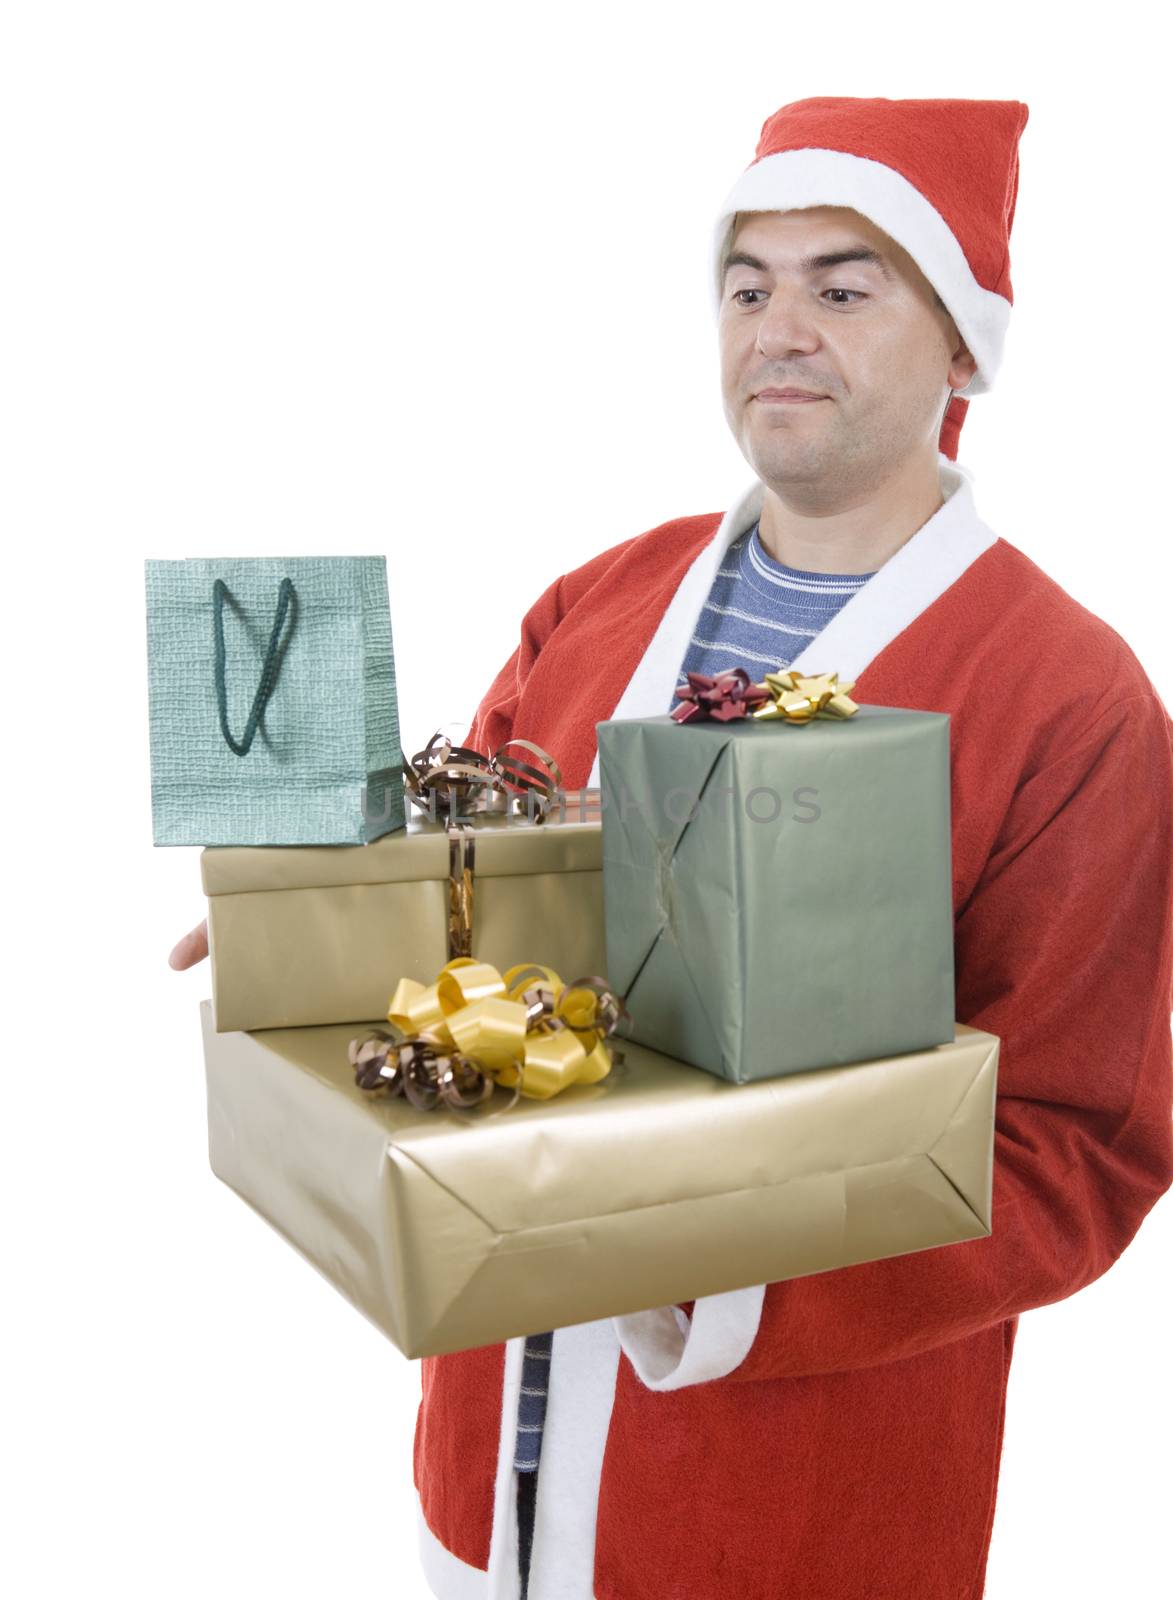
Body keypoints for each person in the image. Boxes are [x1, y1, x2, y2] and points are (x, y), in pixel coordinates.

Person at [173, 96, 1173, 1600]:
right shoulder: (600, 599)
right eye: (747, 283)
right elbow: (474, 897)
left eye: (844, 287)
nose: (780, 327)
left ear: (964, 345)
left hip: (788, 1514)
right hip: (485, 1473)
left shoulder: (1071, 700)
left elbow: (1070, 1150)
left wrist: (717, 1265)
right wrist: (320, 905)